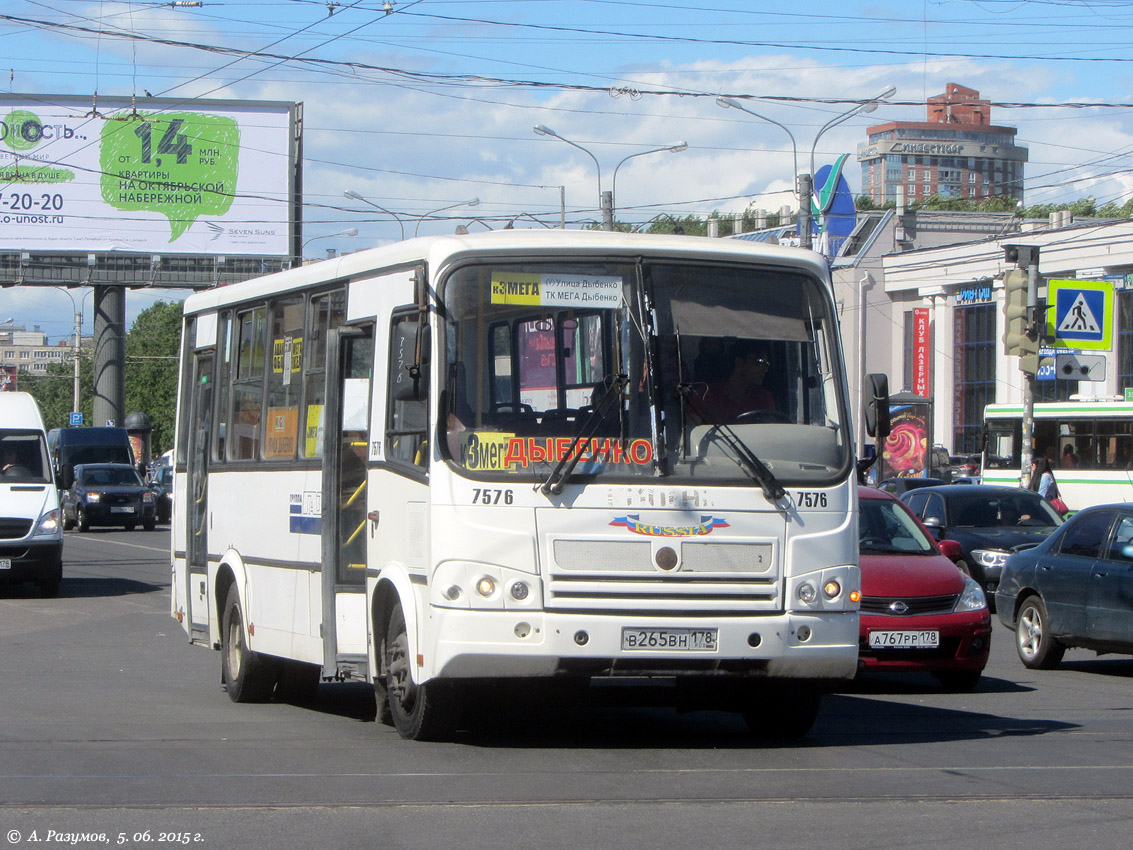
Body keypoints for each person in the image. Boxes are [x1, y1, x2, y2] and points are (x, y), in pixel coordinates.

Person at [697, 339, 775, 422]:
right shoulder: (706, 394)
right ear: (739, 363)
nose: (764, 369)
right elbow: (692, 429)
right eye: (759, 362)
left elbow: (770, 431)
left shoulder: (764, 398)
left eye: (766, 364)